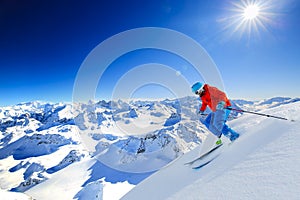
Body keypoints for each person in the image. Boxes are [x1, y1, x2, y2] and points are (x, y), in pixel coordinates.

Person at [191, 82, 239, 150]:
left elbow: (222, 94)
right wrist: (201, 110)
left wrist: (222, 103)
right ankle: (221, 136)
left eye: (196, 92)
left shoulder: (210, 89)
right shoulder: (202, 95)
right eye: (195, 93)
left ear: (200, 89)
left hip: (224, 107)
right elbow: (204, 103)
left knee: (218, 123)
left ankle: (233, 136)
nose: (197, 94)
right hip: (215, 109)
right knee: (207, 121)